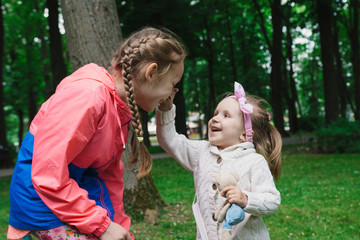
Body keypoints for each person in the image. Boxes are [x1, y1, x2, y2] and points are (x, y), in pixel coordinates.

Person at [7, 27, 186, 240]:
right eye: (173, 84)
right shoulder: (88, 97)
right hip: (41, 200)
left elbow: (108, 177)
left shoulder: (118, 110)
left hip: (69, 197)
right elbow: (47, 173)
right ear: (151, 73)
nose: (173, 93)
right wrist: (102, 225)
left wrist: (118, 227)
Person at [156, 82, 282, 239]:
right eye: (216, 113)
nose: (215, 118)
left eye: (226, 115)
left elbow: (272, 200)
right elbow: (169, 140)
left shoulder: (254, 161)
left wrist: (246, 199)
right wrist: (166, 110)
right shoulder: (201, 152)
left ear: (245, 134)